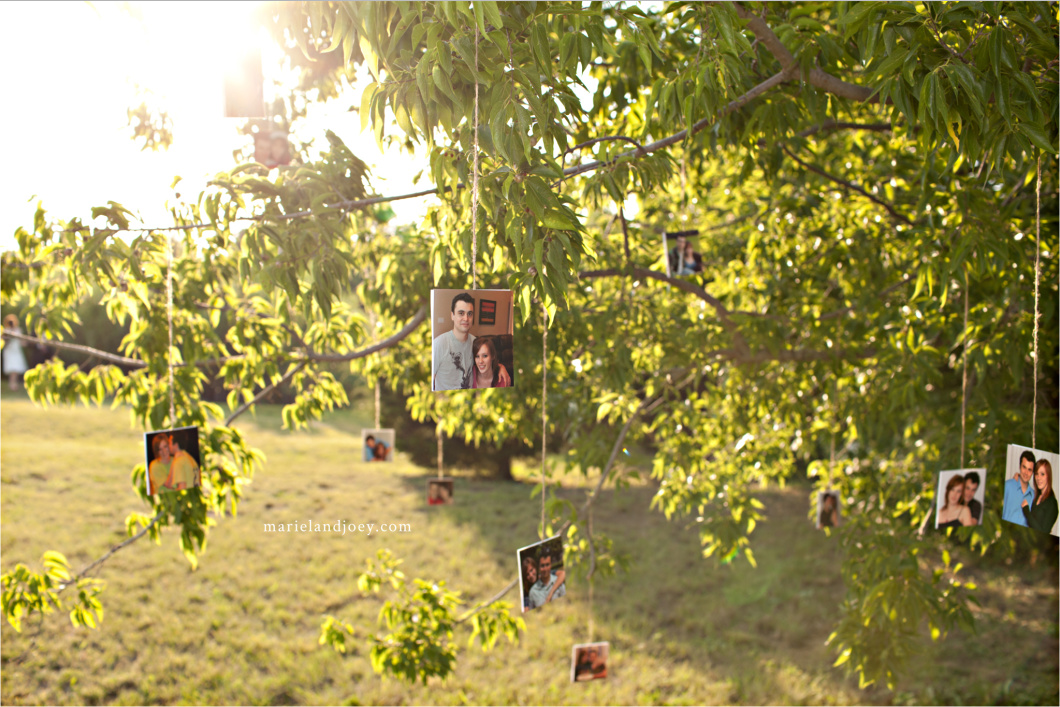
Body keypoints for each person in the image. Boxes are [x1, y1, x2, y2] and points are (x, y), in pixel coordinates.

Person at [432, 292, 511, 391]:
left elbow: (486, 360)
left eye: (469, 314)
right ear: (452, 315)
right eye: (461, 313)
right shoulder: (439, 344)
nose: (466, 318)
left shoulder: (475, 342)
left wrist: (500, 367)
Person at [1022, 459, 1058, 535]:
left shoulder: (1052, 503)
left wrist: (1026, 511)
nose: (1038, 478)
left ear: (1048, 476)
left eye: (1042, 474)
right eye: (1036, 474)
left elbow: (1043, 532)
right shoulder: (1037, 496)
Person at [1002, 451, 1036, 527]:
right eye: (1024, 467)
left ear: (1032, 472)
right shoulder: (1007, 486)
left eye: (1029, 470)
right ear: (1019, 466)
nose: (1026, 473)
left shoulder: (1035, 497)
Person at [2, 315, 28, 391]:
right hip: (9, 351)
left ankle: (13, 384)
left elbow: (22, 343)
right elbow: (4, 342)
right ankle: (12, 384)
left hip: (16, 351)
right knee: (12, 368)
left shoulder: (18, 330)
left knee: (16, 368)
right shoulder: (6, 331)